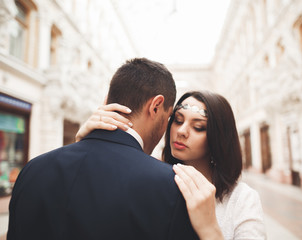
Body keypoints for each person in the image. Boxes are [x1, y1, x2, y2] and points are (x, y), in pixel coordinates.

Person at [7, 58, 199, 240]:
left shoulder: (32, 169)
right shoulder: (170, 187)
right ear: (156, 106)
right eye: (168, 119)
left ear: (107, 100)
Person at [77, 90, 266, 239]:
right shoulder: (149, 179)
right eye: (177, 120)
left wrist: (209, 230)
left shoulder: (242, 200)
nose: (182, 131)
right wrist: (86, 143)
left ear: (218, 138)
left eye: (198, 127)